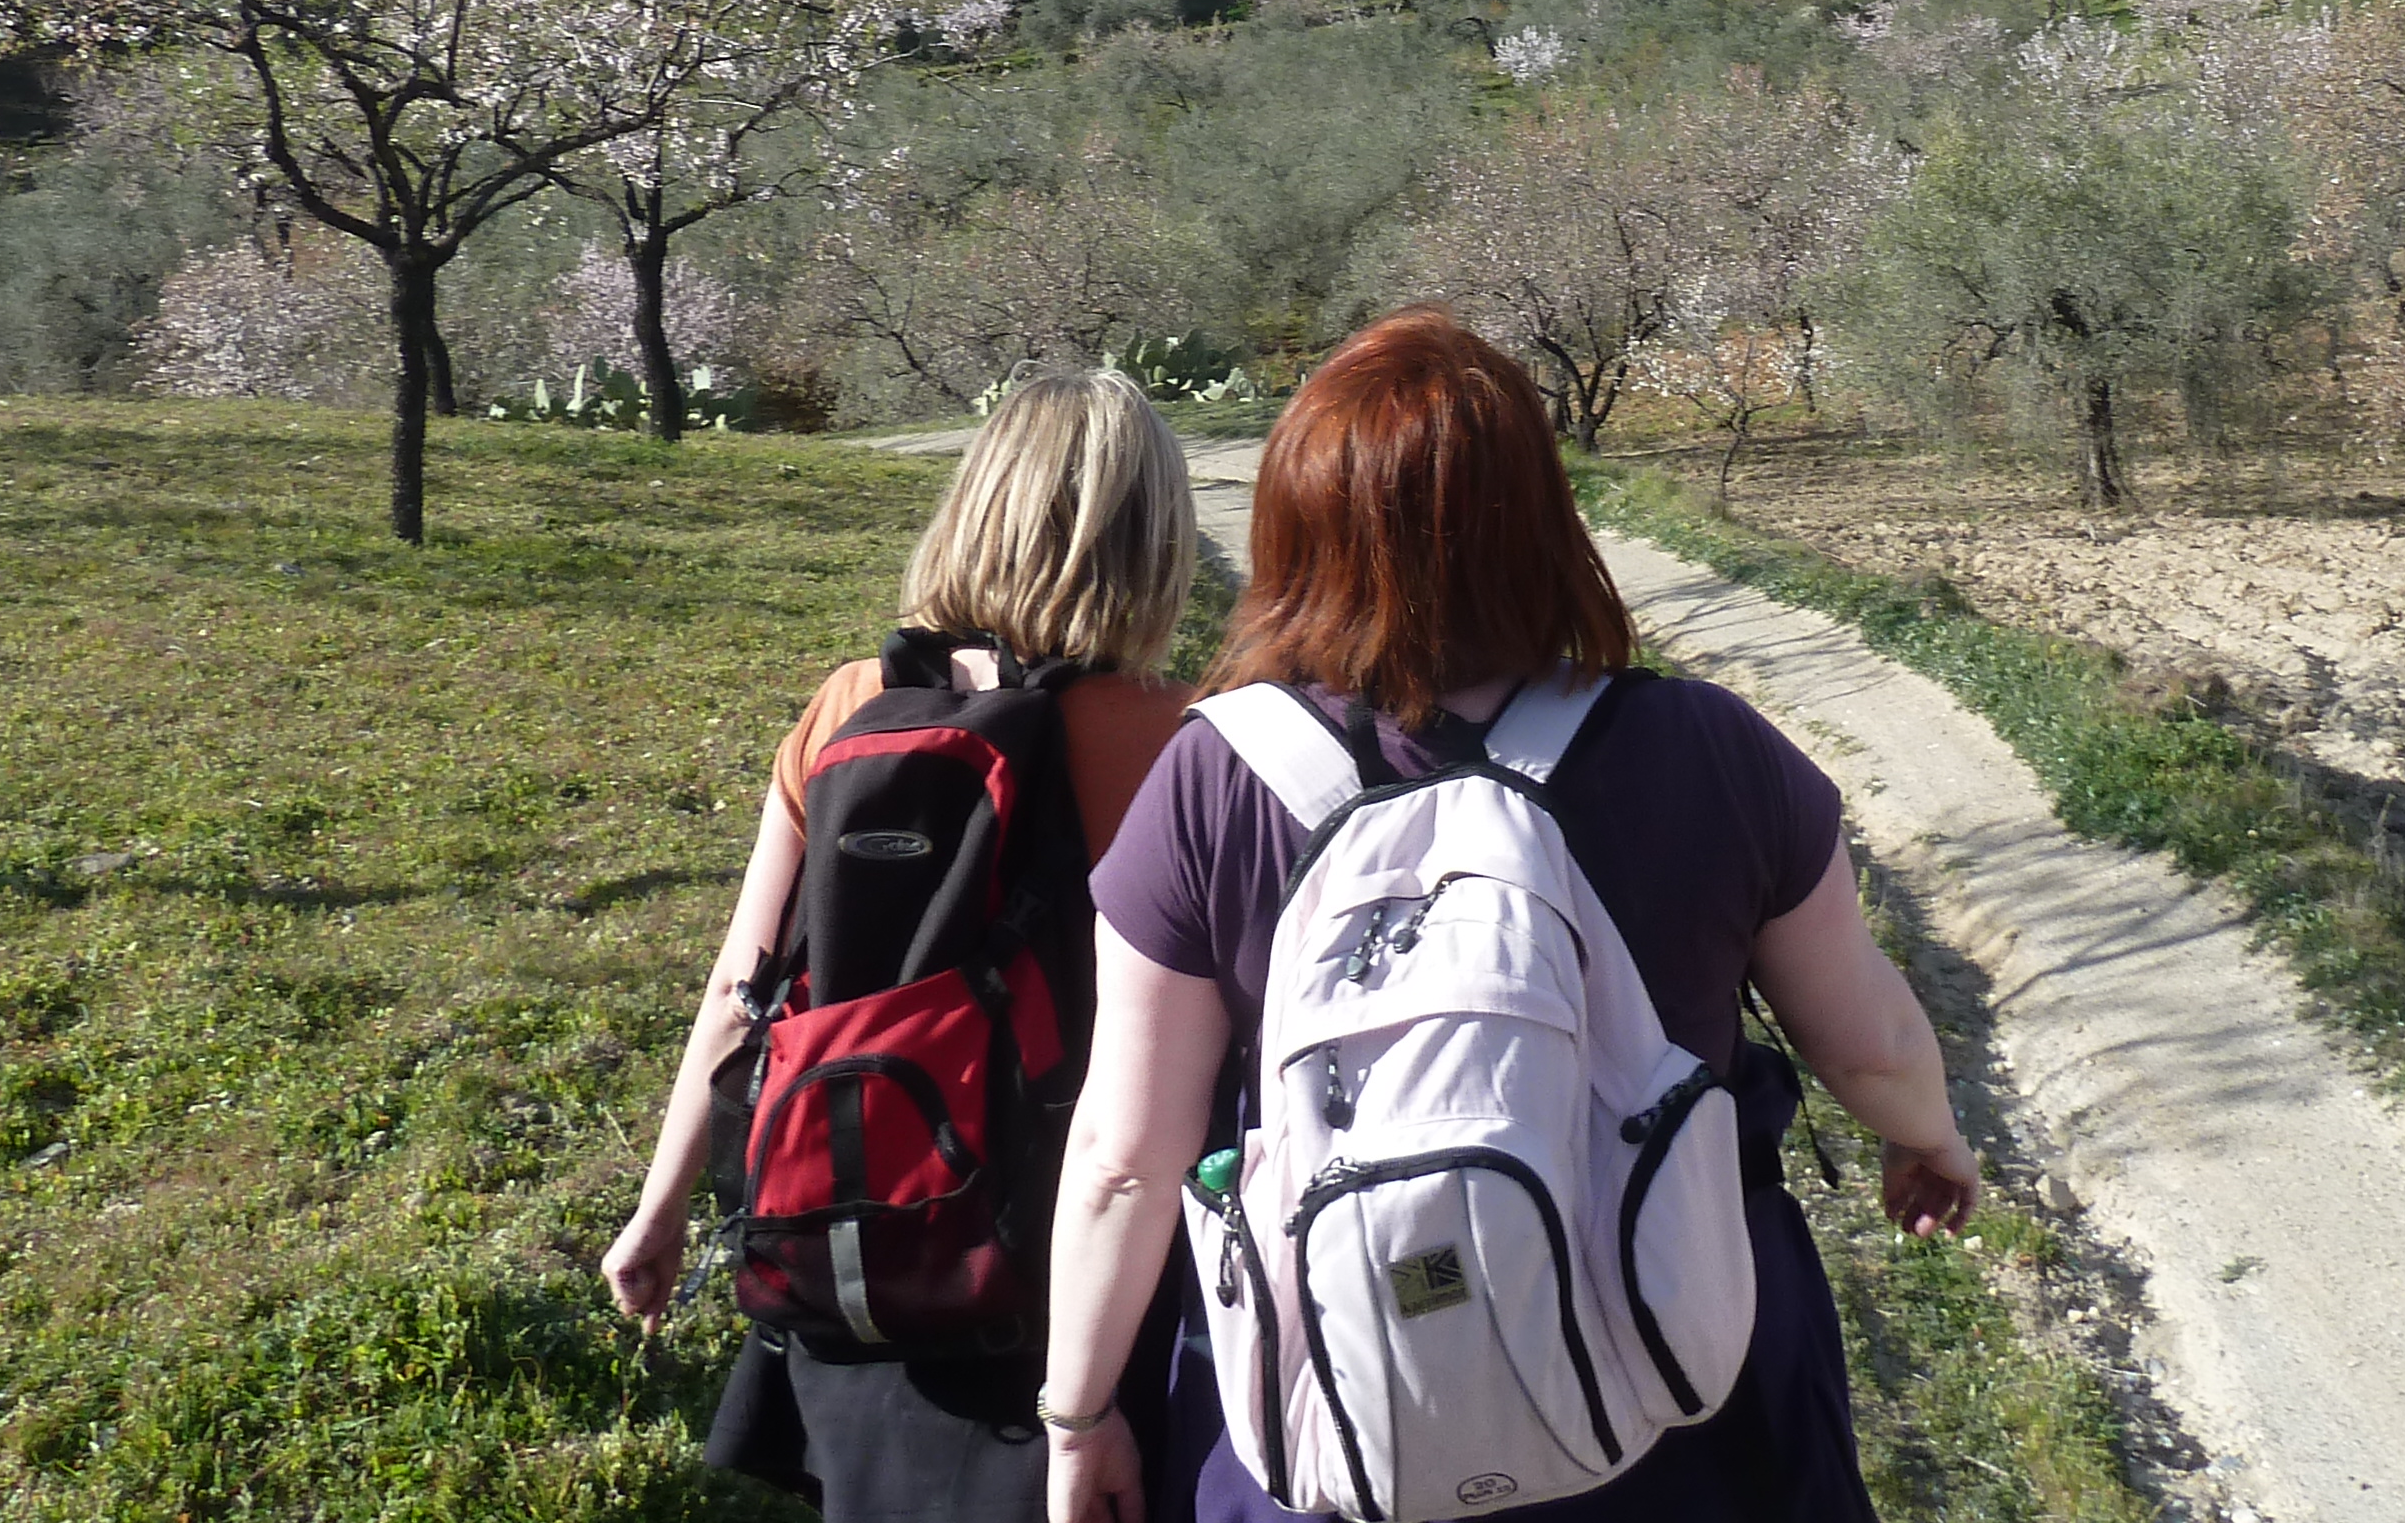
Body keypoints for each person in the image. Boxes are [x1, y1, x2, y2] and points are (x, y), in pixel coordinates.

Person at [1034, 309, 1978, 1523]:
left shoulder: (1212, 781)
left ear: (1294, 531)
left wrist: (1078, 1414)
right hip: (1679, 1380)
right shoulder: (1708, 748)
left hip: (1353, 1395)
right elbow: (1868, 1044)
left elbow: (1125, 1159)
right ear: (1543, 520)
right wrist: (1925, 1135)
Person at [604, 363, 1204, 1523]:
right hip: (1084, 1272)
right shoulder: (1182, 739)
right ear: (1153, 543)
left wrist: (661, 1206)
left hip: (863, 1242)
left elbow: (741, 992)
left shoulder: (847, 709)